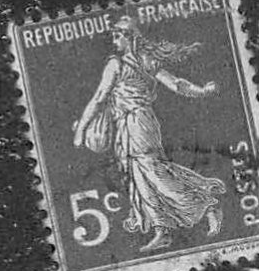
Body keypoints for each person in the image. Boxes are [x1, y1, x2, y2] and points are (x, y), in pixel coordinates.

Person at [71, 15, 224, 253]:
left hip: (136, 124)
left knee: (152, 172)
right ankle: (162, 230)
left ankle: (205, 206)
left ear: (130, 38)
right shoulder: (144, 60)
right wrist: (201, 91)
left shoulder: (118, 64)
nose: (114, 40)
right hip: (132, 124)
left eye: (117, 35)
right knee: (140, 176)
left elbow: (100, 97)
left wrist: (81, 129)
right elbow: (177, 84)